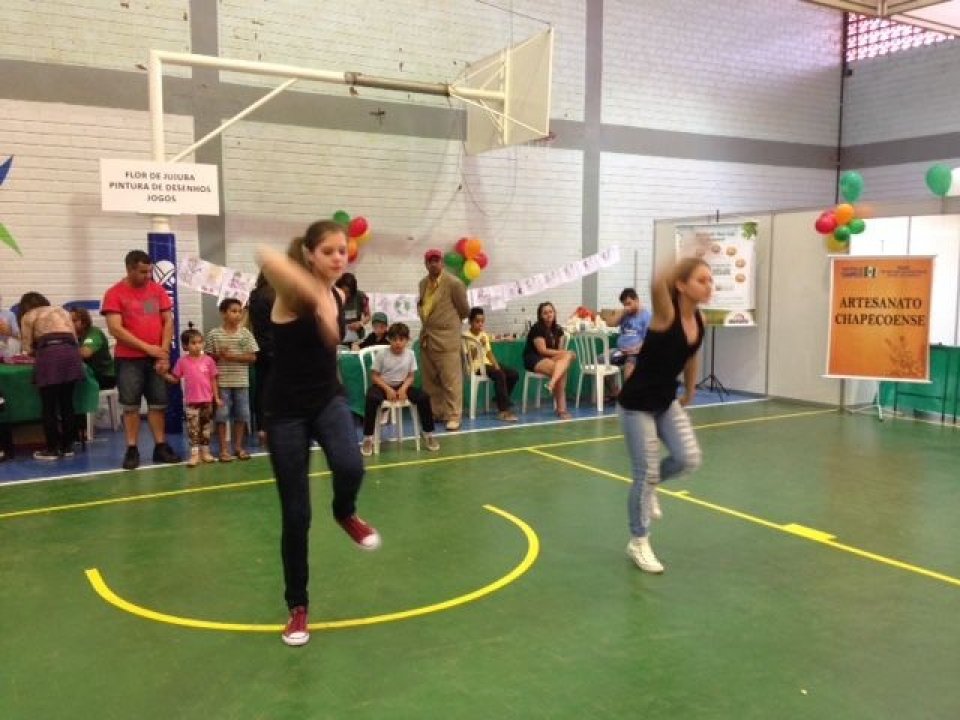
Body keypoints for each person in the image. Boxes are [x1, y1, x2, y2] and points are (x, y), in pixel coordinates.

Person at [256, 220, 381, 648]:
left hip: (327, 399)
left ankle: (345, 512)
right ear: (309, 254)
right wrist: (314, 296)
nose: (337, 257)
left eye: (343, 250)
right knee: (296, 515)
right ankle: (298, 607)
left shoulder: (340, 293)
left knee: (351, 465)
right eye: (327, 250)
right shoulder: (292, 295)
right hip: (285, 412)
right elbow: (264, 254)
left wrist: (327, 301)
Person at [618, 258, 712, 575]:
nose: (709, 285)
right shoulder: (666, 314)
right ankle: (638, 541)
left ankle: (653, 485)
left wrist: (689, 391)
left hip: (665, 400)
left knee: (688, 459)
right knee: (645, 473)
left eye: (710, 280)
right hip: (637, 404)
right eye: (701, 279)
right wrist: (688, 253)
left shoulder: (699, 319)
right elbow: (657, 281)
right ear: (682, 285)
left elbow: (691, 355)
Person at [101, 249, 181, 470]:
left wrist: (163, 352)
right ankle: (132, 448)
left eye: (149, 271)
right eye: (143, 272)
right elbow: (115, 329)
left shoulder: (156, 291)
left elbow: (167, 321)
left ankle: (160, 446)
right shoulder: (114, 294)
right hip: (129, 360)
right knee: (131, 406)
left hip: (156, 358)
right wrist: (148, 348)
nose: (147, 276)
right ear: (129, 269)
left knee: (158, 404)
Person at [18, 292, 85, 460]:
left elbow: (27, 347)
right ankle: (68, 446)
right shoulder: (61, 311)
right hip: (71, 355)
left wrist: (37, 352)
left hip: (49, 356)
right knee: (67, 403)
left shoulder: (28, 316)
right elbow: (75, 339)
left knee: (49, 406)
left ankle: (52, 449)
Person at [359, 322, 440, 457]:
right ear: (389, 339)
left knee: (423, 397)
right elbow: (374, 376)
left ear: (407, 340)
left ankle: (428, 433)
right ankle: (368, 438)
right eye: (394, 339)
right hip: (382, 385)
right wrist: (387, 389)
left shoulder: (410, 354)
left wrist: (403, 389)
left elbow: (411, 376)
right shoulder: (382, 354)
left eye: (401, 339)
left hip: (402, 386)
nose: (398, 343)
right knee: (372, 398)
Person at [417, 248, 470, 431]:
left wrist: (449, 325)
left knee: (450, 380)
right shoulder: (423, 283)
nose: (433, 264)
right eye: (430, 261)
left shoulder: (454, 283)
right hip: (427, 337)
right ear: (425, 264)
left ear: (442, 262)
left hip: (447, 338)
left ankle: (454, 415)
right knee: (430, 380)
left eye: (436, 260)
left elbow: (464, 310)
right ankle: (437, 412)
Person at [206, 297, 259, 461]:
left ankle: (238, 447)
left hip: (241, 381)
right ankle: (223, 449)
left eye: (239, 312)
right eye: (233, 311)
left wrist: (233, 357)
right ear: (223, 313)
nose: (237, 315)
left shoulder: (245, 334)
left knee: (242, 415)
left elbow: (252, 357)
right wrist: (218, 356)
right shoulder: (214, 334)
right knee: (222, 416)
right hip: (222, 382)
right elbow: (207, 359)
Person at [164, 327, 221, 467]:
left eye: (200, 342)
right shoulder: (182, 362)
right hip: (191, 402)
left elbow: (213, 379)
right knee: (193, 428)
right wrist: (163, 374)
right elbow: (175, 379)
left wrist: (217, 397)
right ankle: (194, 454)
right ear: (185, 346)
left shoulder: (208, 361)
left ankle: (206, 452)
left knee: (206, 428)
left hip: (207, 401)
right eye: (193, 343)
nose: (197, 346)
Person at [463, 307, 519, 422]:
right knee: (499, 375)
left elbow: (489, 353)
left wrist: (496, 365)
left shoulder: (484, 335)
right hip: (476, 367)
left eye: (482, 321)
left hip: (487, 364)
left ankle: (498, 399)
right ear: (470, 322)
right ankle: (503, 411)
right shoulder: (465, 336)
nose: (480, 324)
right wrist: (477, 346)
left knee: (513, 374)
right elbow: (469, 359)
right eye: (477, 321)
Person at [523, 301, 576, 420]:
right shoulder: (537, 328)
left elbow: (560, 351)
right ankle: (561, 410)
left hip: (551, 358)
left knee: (566, 359)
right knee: (562, 368)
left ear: (554, 313)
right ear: (540, 316)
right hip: (535, 358)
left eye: (550, 312)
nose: (548, 315)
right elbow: (542, 350)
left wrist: (566, 354)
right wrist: (565, 353)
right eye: (545, 313)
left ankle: (552, 383)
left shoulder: (558, 330)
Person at [247, 272, 275, 447]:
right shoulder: (273, 296)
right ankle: (274, 428)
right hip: (276, 347)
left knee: (261, 388)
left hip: (260, 346)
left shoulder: (254, 295)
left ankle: (262, 429)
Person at [609, 288, 653, 380]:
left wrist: (635, 349)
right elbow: (611, 323)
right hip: (620, 352)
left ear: (637, 300)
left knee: (629, 366)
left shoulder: (646, 316)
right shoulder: (625, 314)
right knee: (600, 361)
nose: (627, 307)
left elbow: (649, 340)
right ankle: (615, 391)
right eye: (624, 304)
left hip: (635, 353)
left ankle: (628, 393)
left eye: (629, 303)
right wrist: (622, 312)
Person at [70, 307, 116, 390]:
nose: (70, 324)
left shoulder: (94, 332)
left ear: (84, 322)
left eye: (74, 321)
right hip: (86, 375)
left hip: (104, 375)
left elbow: (85, 353)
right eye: (68, 321)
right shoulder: (71, 335)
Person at [335, 272, 370, 347]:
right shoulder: (334, 296)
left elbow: (368, 316)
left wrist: (360, 323)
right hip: (339, 337)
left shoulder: (361, 296)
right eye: (343, 292)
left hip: (356, 338)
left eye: (348, 292)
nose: (345, 295)